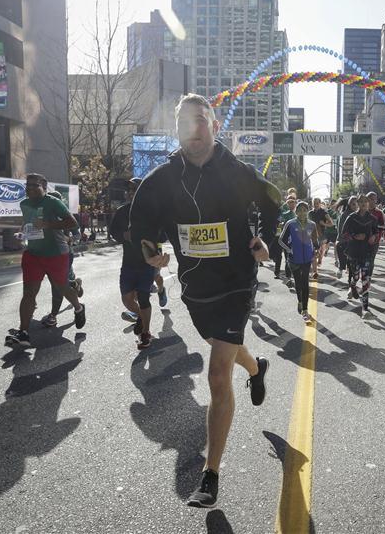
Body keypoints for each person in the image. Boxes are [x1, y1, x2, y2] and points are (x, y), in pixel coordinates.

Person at [129, 93, 278, 508]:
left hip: (235, 281)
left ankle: (210, 474)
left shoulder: (237, 170)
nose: (193, 128)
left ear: (214, 127)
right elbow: (142, 219)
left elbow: (272, 202)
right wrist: (149, 248)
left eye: (201, 120)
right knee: (222, 348)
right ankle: (257, 366)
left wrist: (265, 239)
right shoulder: (162, 178)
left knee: (216, 375)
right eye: (185, 122)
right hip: (195, 287)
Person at [6, 173, 85, 348]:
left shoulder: (53, 202)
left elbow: (72, 223)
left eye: (35, 185)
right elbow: (27, 223)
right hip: (33, 254)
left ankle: (79, 308)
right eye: (28, 185)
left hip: (56, 254)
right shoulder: (24, 203)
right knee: (29, 293)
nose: (30, 188)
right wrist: (23, 233)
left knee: (62, 287)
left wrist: (48, 225)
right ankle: (23, 332)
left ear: (44, 185)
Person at [108, 178, 158, 350]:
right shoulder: (122, 211)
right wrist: (124, 236)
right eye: (128, 189)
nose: (130, 192)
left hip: (146, 262)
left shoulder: (152, 211)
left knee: (143, 297)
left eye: (134, 188)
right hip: (128, 263)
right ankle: (140, 317)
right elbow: (113, 232)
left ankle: (146, 333)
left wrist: (148, 238)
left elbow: (163, 234)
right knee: (127, 299)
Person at [42, 190, 84, 328]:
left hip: (64, 254)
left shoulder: (67, 216)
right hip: (45, 254)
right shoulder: (42, 215)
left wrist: (70, 239)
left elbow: (78, 236)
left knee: (57, 285)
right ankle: (73, 284)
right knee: (61, 282)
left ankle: (53, 316)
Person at [280, 201, 319, 321]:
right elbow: (281, 240)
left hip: (307, 259)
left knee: (305, 283)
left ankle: (305, 310)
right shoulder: (290, 224)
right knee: (298, 283)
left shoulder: (312, 224)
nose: (302, 212)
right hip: (294, 260)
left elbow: (315, 240)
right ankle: (300, 301)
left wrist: (316, 250)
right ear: (296, 211)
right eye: (300, 210)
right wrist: (290, 250)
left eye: (304, 210)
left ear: (307, 211)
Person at [341, 194, 378, 318]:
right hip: (354, 251)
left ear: (368, 204)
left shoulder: (372, 218)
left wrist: (371, 237)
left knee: (366, 279)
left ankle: (365, 309)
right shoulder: (352, 217)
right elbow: (343, 233)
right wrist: (353, 237)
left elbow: (376, 233)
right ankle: (352, 285)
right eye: (361, 201)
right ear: (357, 203)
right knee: (356, 276)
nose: (363, 204)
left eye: (365, 202)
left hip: (367, 252)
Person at [308, 197, 333, 279]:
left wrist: (323, 224)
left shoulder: (324, 212)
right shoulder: (310, 213)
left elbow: (331, 223)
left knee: (322, 249)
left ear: (320, 203)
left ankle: (320, 259)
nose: (315, 205)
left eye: (317, 203)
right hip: (313, 234)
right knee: (314, 251)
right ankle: (315, 271)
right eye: (314, 203)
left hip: (322, 234)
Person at [336, 196, 358, 286]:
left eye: (357, 203)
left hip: (356, 243)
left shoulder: (360, 214)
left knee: (352, 265)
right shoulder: (344, 214)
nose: (356, 205)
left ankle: (351, 285)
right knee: (344, 261)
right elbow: (341, 230)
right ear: (349, 204)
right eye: (353, 204)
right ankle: (341, 268)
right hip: (344, 242)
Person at [366, 192, 385, 277]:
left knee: (371, 260)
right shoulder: (362, 211)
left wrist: (375, 226)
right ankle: (362, 276)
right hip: (362, 240)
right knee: (362, 260)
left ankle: (368, 278)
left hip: (375, 241)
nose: (373, 201)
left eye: (374, 199)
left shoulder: (379, 212)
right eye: (371, 198)